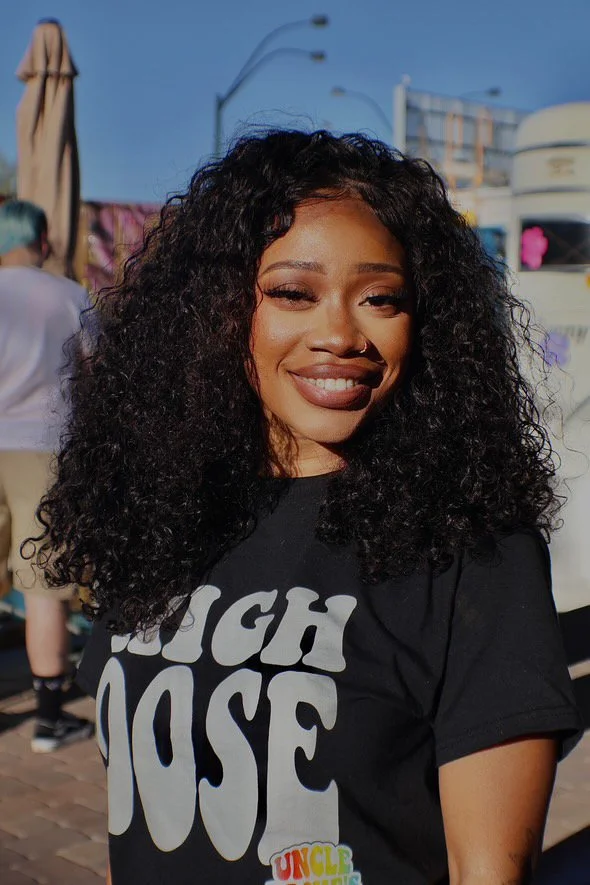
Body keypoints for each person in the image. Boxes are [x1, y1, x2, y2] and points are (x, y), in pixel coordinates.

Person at [33, 131, 582, 885]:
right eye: (294, 292)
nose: (340, 334)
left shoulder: (472, 547)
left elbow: (487, 867)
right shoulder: (164, 511)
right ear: (219, 313)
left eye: (380, 298)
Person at [0, 199, 94, 752]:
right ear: (41, 239)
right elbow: (100, 365)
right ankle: (50, 718)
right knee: (44, 587)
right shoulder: (69, 295)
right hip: (44, 446)